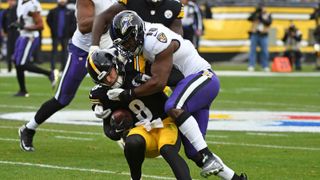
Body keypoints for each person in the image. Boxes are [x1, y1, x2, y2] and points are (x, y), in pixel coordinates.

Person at [107, 10, 247, 179]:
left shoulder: (155, 40)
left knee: (173, 107)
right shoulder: (145, 40)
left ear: (136, 32)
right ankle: (236, 178)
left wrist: (127, 94)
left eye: (128, 41)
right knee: (193, 153)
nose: (127, 46)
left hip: (203, 78)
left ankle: (208, 155)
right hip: (192, 88)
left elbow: (158, 83)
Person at [18, 0, 115, 151]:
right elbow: (83, 26)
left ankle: (124, 132)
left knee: (121, 88)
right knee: (62, 98)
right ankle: (29, 128)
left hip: (109, 48)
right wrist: (109, 16)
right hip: (83, 50)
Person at [87, 49, 192, 180]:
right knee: (132, 142)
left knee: (167, 150)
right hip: (142, 130)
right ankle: (135, 178)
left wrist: (156, 80)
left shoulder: (136, 69)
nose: (109, 79)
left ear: (116, 65)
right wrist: (116, 126)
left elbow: (178, 78)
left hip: (166, 123)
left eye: (109, 73)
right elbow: (111, 133)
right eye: (103, 79)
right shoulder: (103, 94)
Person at [91, 0, 184, 51]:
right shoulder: (131, 1)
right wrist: (94, 46)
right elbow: (102, 18)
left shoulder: (174, 6)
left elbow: (177, 37)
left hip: (157, 50)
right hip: (130, 49)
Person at [12, 0, 59, 97]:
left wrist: (24, 27)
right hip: (22, 36)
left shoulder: (32, 5)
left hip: (30, 37)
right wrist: (16, 24)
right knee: (16, 62)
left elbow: (40, 26)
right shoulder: (21, 2)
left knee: (22, 64)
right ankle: (23, 90)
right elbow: (22, 19)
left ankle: (50, 73)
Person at [46, 0, 76, 71]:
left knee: (65, 53)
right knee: (54, 52)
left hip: (65, 36)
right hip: (55, 35)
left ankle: (64, 67)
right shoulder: (53, 11)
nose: (62, 2)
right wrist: (53, 29)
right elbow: (48, 20)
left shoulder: (70, 12)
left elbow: (73, 23)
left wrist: (69, 32)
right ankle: (53, 67)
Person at [247, 4, 272, 72]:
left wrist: (261, 16)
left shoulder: (267, 15)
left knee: (264, 51)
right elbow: (249, 18)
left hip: (263, 35)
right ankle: (251, 65)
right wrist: (256, 12)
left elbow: (268, 23)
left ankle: (265, 66)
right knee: (252, 50)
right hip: (255, 34)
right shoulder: (256, 14)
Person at [2, 0, 19, 73]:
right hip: (9, 34)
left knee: (18, 51)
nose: (11, 2)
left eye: (12, 0)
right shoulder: (6, 11)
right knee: (9, 51)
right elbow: (3, 22)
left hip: (17, 34)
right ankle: (9, 68)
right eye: (9, 1)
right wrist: (5, 32)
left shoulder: (18, 10)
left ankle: (18, 68)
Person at [310, 3, 320, 70]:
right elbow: (311, 17)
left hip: (317, 34)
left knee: (318, 51)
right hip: (318, 36)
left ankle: (318, 65)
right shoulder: (317, 13)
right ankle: (318, 65)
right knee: (317, 52)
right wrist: (315, 11)